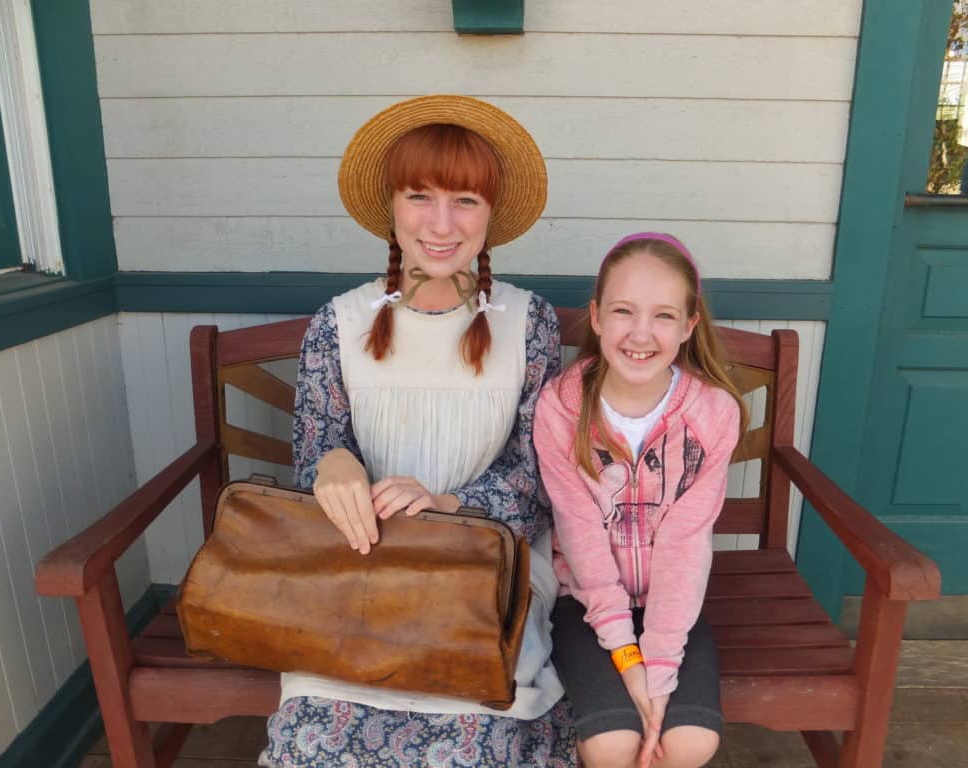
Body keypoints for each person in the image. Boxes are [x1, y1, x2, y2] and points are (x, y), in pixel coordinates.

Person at [259, 96, 576, 766]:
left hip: (485, 574)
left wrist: (448, 505)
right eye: (419, 196)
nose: (440, 223)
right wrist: (332, 464)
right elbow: (318, 447)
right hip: (360, 573)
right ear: (391, 205)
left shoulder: (528, 322)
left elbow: (540, 477)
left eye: (465, 200)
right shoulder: (339, 323)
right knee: (310, 739)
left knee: (478, 739)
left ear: (491, 214)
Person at [533, 233, 748, 768]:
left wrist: (659, 668)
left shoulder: (713, 414)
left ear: (690, 325)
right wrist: (628, 662)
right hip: (582, 604)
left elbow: (684, 542)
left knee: (691, 742)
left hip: (671, 603)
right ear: (597, 317)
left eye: (664, 316)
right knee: (611, 745)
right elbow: (579, 534)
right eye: (624, 311)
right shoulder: (561, 407)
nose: (641, 334)